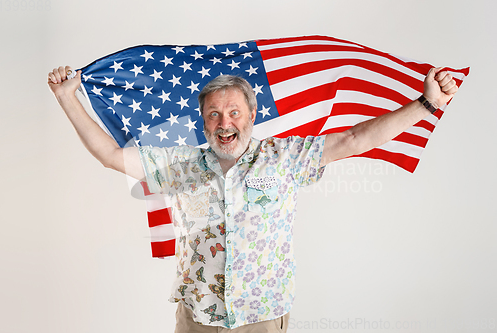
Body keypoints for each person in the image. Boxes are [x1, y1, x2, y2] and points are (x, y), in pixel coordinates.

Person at [48, 66, 458, 332]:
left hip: (261, 318)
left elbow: (355, 139)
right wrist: (67, 97)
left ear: (251, 115)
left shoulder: (285, 158)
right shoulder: (180, 164)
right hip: (198, 317)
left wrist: (426, 105)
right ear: (202, 120)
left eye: (234, 113)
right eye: (213, 114)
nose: (224, 124)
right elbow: (110, 156)